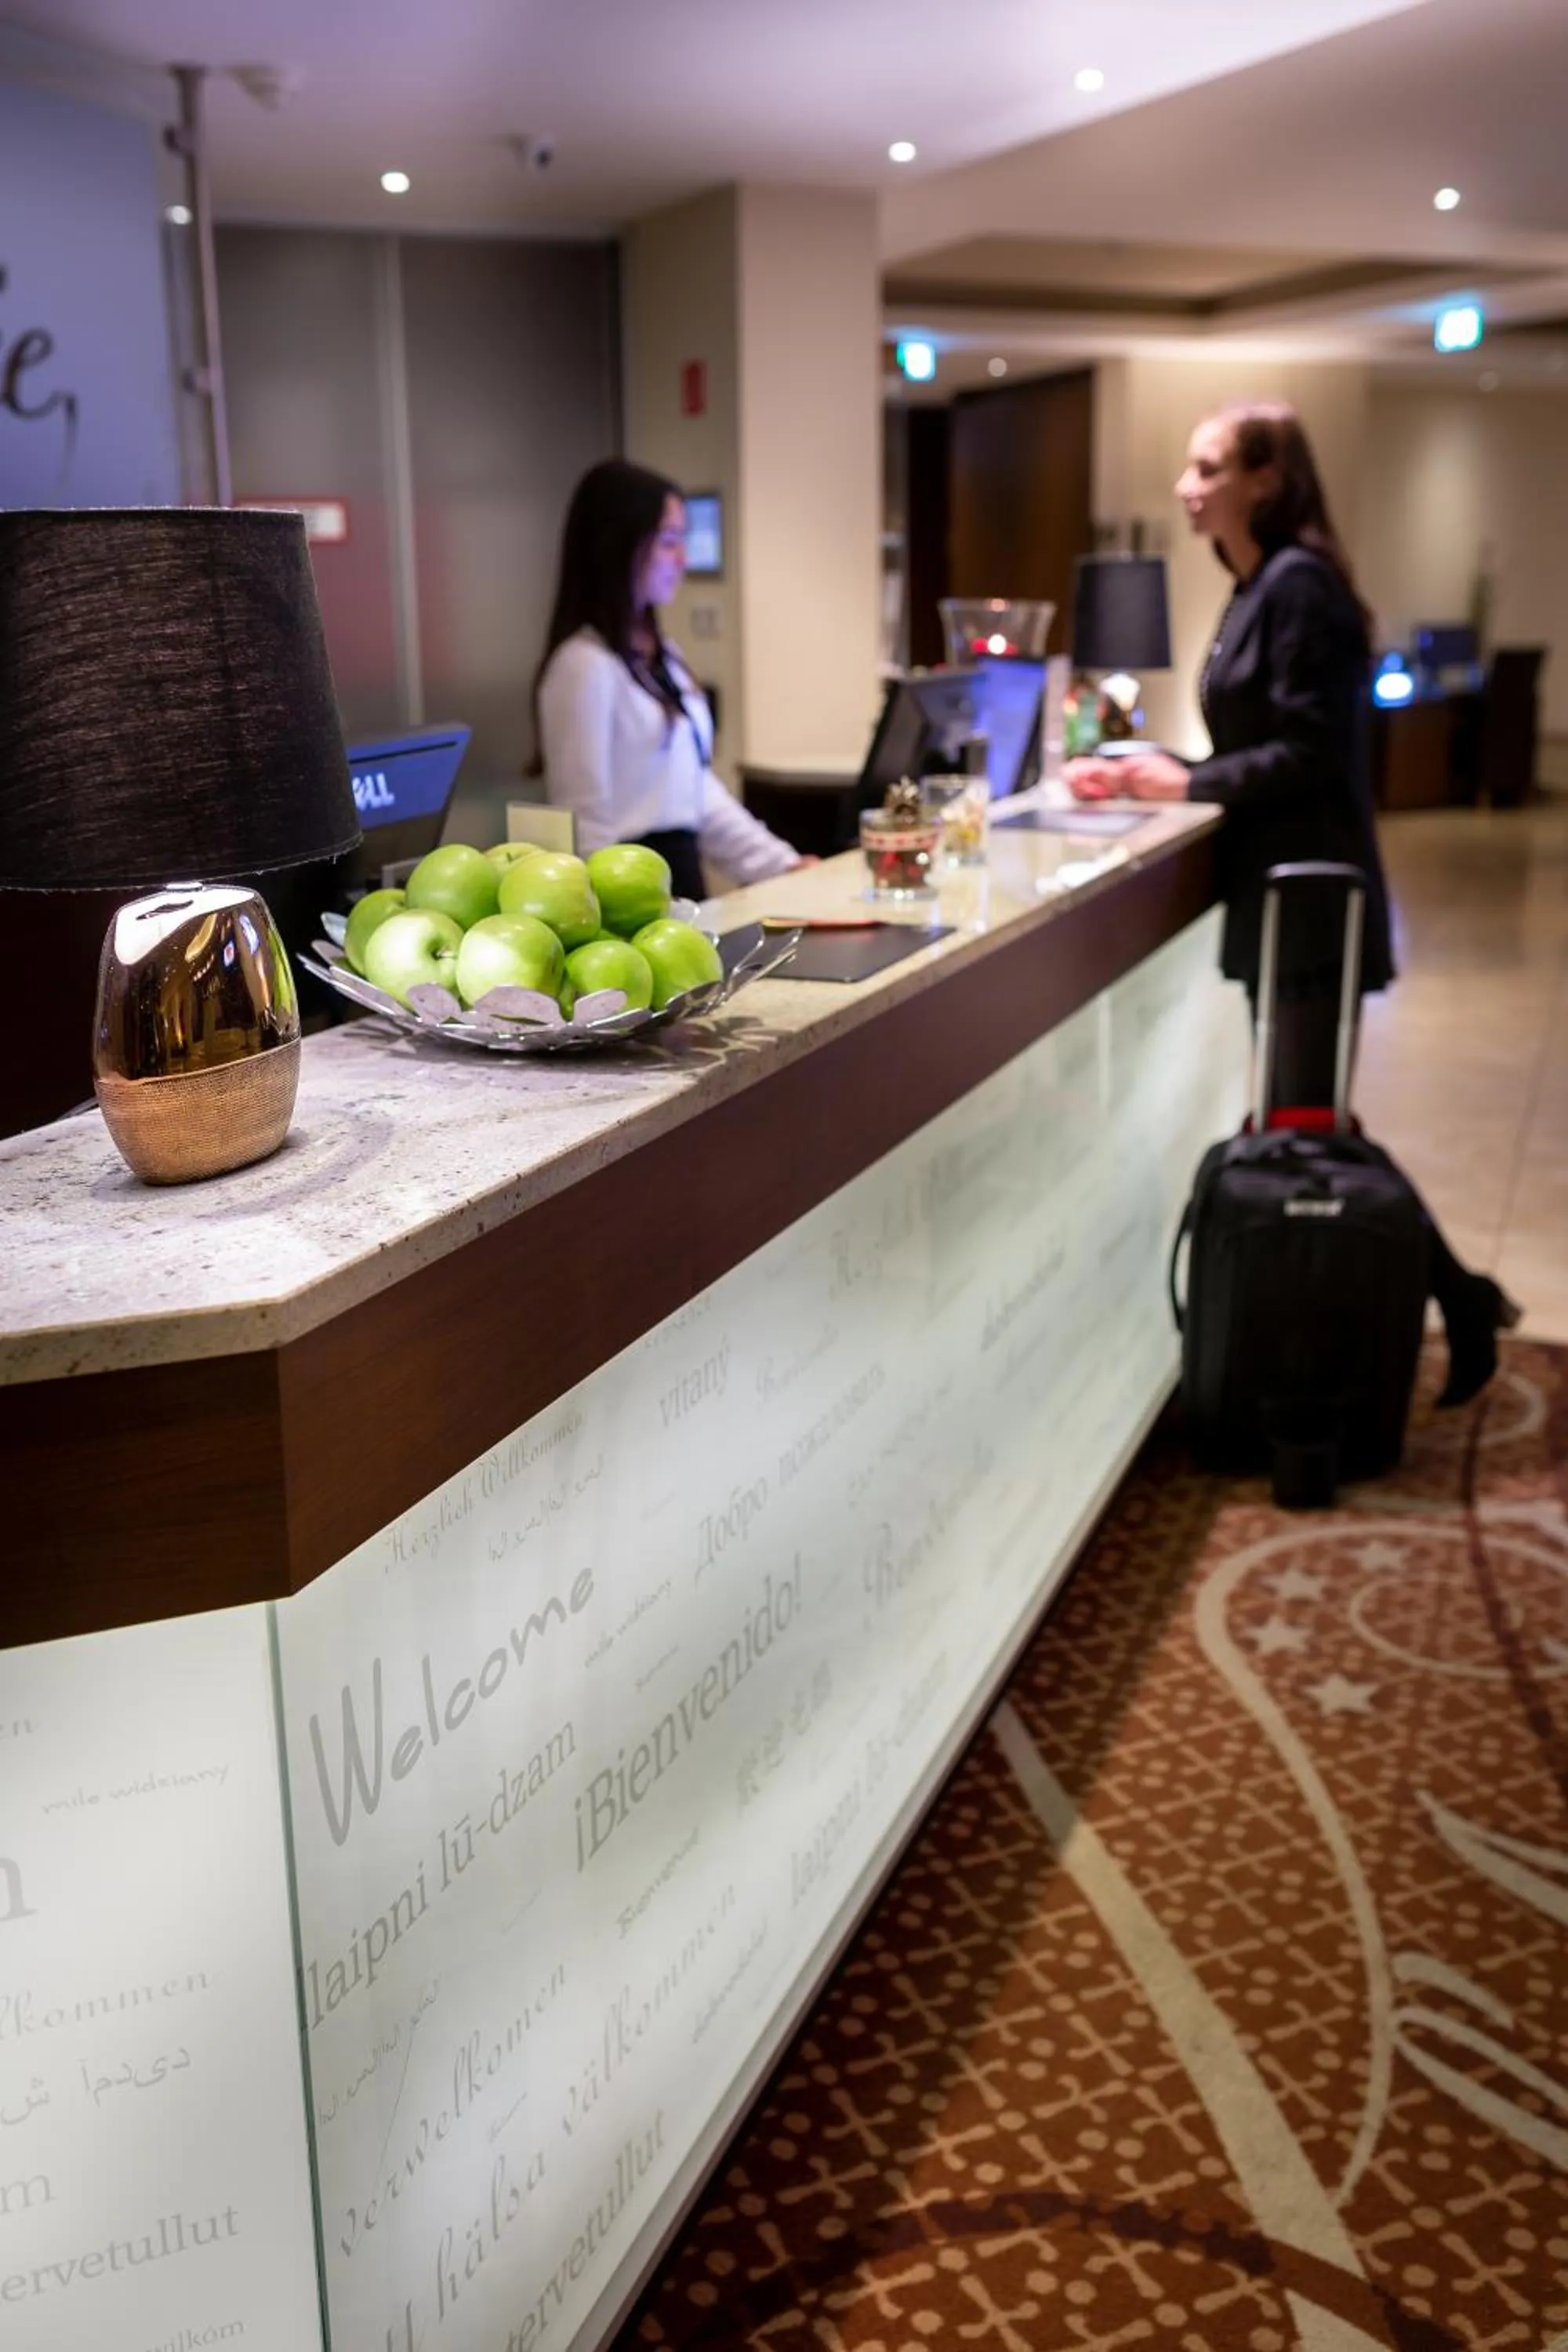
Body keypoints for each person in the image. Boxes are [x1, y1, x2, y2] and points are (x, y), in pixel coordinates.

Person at [1067, 398, 1519, 1406]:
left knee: (1306, 1119)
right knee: (1311, 1116)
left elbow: (1310, 755)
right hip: (1282, 893)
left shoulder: (1298, 587)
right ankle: (1456, 1296)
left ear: (1264, 480)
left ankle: (1447, 1298)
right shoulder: (1255, 585)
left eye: (1205, 467)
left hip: (1314, 898)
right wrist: (1170, 766)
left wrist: (1179, 780)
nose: (1185, 487)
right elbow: (1254, 751)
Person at [532, 458, 802, 901]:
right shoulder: (582, 666)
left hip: (682, 884)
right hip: (631, 895)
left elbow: (693, 791)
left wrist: (781, 865)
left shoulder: (661, 658)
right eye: (669, 541)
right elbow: (585, 828)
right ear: (619, 546)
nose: (683, 559)